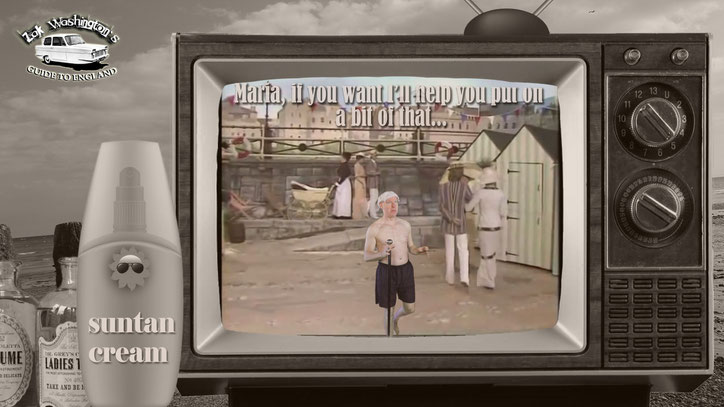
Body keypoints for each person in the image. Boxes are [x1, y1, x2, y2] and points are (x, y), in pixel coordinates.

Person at [364, 191, 429, 335]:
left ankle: (395, 320)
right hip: (387, 271)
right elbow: (367, 255)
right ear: (381, 205)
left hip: (406, 270)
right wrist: (382, 253)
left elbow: (411, 247)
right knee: (388, 308)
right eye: (389, 203)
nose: (394, 206)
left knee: (410, 308)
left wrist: (418, 250)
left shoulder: (405, 225)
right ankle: (390, 342)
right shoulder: (375, 228)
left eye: (396, 202)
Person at [465, 166, 506, 289]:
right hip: (497, 226)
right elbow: (503, 212)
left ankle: (487, 280)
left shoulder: (481, 193)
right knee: (492, 254)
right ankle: (490, 277)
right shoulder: (501, 193)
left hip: (485, 227)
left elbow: (468, 208)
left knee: (485, 255)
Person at [439, 163, 473, 286]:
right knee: (463, 251)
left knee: (449, 251)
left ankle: (450, 278)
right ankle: (464, 278)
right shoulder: (464, 187)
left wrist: (451, 218)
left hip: (448, 224)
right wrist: (467, 183)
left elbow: (441, 207)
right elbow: (471, 199)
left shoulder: (443, 187)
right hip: (461, 223)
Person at [332, 152, 353, 219]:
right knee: (340, 198)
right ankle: (338, 213)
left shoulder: (345, 166)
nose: (340, 158)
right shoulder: (343, 165)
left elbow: (344, 176)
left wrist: (338, 183)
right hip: (343, 182)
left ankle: (343, 214)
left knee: (343, 198)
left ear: (344, 158)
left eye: (341, 157)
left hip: (344, 183)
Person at [365, 151, 381, 219]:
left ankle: (369, 211)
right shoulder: (369, 163)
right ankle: (372, 213)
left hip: (375, 183)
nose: (376, 156)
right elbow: (368, 172)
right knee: (373, 199)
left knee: (375, 198)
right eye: (375, 155)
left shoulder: (375, 163)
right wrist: (376, 173)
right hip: (372, 183)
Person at [352, 154, 368, 219]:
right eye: (362, 159)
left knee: (362, 197)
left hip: (362, 181)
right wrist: (362, 183)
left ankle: (362, 213)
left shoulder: (360, 165)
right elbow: (357, 176)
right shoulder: (357, 165)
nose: (363, 160)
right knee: (359, 198)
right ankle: (357, 214)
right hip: (359, 182)